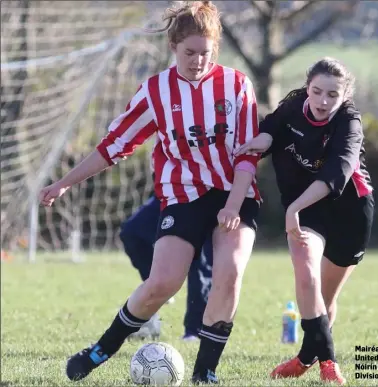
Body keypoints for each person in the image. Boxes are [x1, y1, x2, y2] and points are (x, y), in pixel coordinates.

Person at [39, 1, 261, 384]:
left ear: (216, 49)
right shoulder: (155, 91)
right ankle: (100, 350)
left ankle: (204, 372)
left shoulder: (237, 85)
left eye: (205, 54)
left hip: (234, 193)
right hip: (182, 195)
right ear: (173, 46)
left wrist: (234, 205)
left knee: (230, 273)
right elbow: (113, 146)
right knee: (162, 282)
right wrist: (63, 183)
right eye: (189, 53)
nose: (197, 61)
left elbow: (248, 155)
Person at [236, 57, 375, 385]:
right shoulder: (294, 104)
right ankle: (328, 362)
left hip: (349, 208)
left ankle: (304, 359)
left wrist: (293, 207)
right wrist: (262, 141)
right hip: (306, 210)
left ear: (345, 95)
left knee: (325, 300)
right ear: (306, 87)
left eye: (332, 95)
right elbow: (273, 127)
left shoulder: (350, 122)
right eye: (317, 92)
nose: (323, 101)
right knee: (307, 272)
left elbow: (336, 174)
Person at [120, 190, 213, 341]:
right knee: (131, 232)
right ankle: (161, 284)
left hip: (204, 192)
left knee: (198, 258)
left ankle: (194, 331)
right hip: (169, 190)